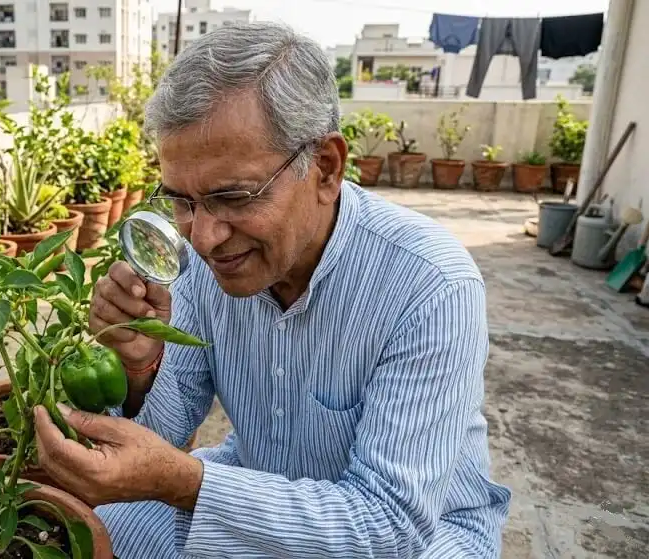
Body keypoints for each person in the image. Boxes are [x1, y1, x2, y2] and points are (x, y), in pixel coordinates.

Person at [32, 21, 512, 558]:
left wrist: (185, 483)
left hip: (421, 530)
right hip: (262, 480)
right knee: (87, 529)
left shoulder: (429, 284)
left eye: (234, 196)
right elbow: (163, 438)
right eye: (182, 202)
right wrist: (143, 368)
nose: (206, 237)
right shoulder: (199, 262)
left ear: (326, 167)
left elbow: (387, 525)